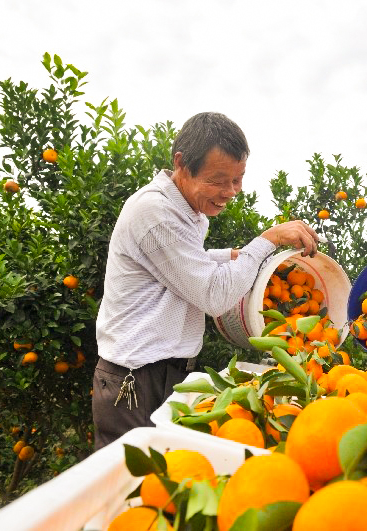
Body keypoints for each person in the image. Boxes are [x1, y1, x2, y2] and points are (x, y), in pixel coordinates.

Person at [92, 112, 319, 450]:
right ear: (182, 164)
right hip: (135, 381)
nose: (230, 191)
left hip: (166, 373)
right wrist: (267, 241)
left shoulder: (184, 210)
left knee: (171, 480)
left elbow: (177, 262)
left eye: (238, 179)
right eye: (218, 179)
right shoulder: (154, 212)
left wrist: (229, 255)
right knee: (132, 489)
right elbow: (214, 296)